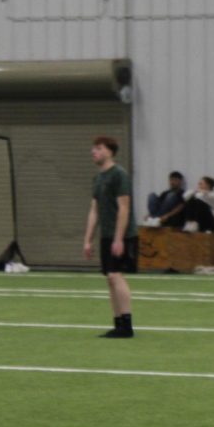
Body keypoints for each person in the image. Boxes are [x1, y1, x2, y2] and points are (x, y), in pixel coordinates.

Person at [82, 136, 138, 338]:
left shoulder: (119, 175)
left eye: (98, 148)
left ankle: (127, 324)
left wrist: (119, 238)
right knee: (110, 278)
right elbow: (94, 210)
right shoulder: (98, 178)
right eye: (93, 148)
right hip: (107, 235)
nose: (93, 151)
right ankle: (118, 323)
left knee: (116, 275)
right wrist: (88, 240)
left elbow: (124, 208)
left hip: (122, 234)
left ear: (109, 151)